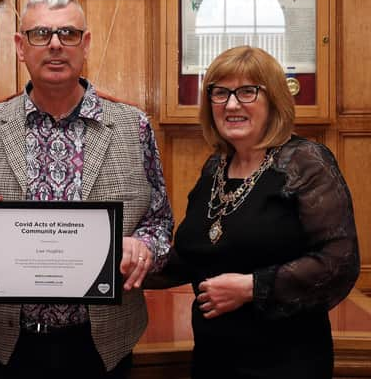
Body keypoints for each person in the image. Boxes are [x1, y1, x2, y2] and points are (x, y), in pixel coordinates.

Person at [0, 0, 174, 379]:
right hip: (6, 348)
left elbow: (161, 225)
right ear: (20, 46)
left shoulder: (132, 127)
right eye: (40, 34)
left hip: (103, 348)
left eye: (68, 34)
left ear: (85, 45)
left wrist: (145, 246)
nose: (54, 45)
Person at [146, 45, 360, 378]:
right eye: (221, 93)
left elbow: (339, 261)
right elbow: (192, 257)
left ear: (273, 99)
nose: (231, 104)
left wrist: (251, 287)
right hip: (213, 357)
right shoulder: (214, 168)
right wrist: (125, 262)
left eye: (247, 92)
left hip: (286, 360)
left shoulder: (304, 162)